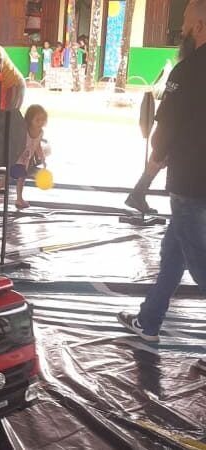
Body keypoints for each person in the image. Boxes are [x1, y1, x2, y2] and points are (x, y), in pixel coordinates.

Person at [117, 0, 206, 374]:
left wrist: (154, 162)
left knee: (201, 266)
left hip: (191, 184)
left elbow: (163, 130)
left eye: (185, 23)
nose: (181, 29)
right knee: (174, 251)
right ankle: (149, 321)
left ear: (199, 26)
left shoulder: (187, 70)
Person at [0, 104, 48, 208]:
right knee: (17, 177)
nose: (40, 122)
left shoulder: (41, 132)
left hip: (26, 159)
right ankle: (15, 197)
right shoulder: (23, 130)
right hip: (17, 157)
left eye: (43, 120)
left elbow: (38, 145)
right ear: (30, 120)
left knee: (14, 177)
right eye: (38, 120)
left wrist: (42, 158)